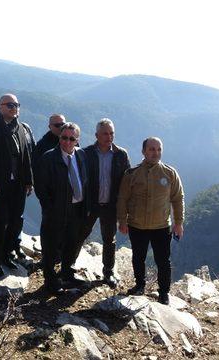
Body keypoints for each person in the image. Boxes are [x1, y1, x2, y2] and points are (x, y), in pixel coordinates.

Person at [117, 137, 184, 305]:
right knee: (138, 257)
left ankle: (164, 293)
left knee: (163, 260)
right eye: (152, 149)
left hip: (161, 226)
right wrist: (122, 220)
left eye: (159, 149)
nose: (156, 153)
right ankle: (140, 285)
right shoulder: (132, 174)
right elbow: (122, 198)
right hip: (136, 224)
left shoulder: (169, 173)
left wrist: (179, 223)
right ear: (143, 151)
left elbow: (178, 198)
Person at [35, 122, 90, 294]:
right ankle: (50, 280)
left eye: (71, 138)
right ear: (60, 138)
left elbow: (85, 179)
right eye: (64, 137)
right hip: (56, 210)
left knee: (71, 243)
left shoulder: (81, 155)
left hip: (76, 208)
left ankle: (67, 274)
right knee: (51, 245)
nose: (67, 141)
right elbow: (41, 188)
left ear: (77, 140)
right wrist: (50, 208)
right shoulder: (48, 158)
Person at [80, 118, 130, 288]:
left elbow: (127, 182)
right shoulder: (86, 153)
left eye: (111, 133)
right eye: (105, 133)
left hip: (110, 205)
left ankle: (108, 272)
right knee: (80, 234)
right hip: (90, 204)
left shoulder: (121, 154)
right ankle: (67, 268)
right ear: (96, 135)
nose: (109, 137)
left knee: (109, 239)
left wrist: (125, 210)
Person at [0, 94, 33, 275]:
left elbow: (26, 156)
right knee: (1, 222)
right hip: (0, 184)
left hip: (19, 184)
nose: (14, 108)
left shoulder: (21, 128)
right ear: (0, 107)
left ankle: (6, 254)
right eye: (9, 105)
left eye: (16, 105)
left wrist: (29, 180)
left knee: (15, 221)